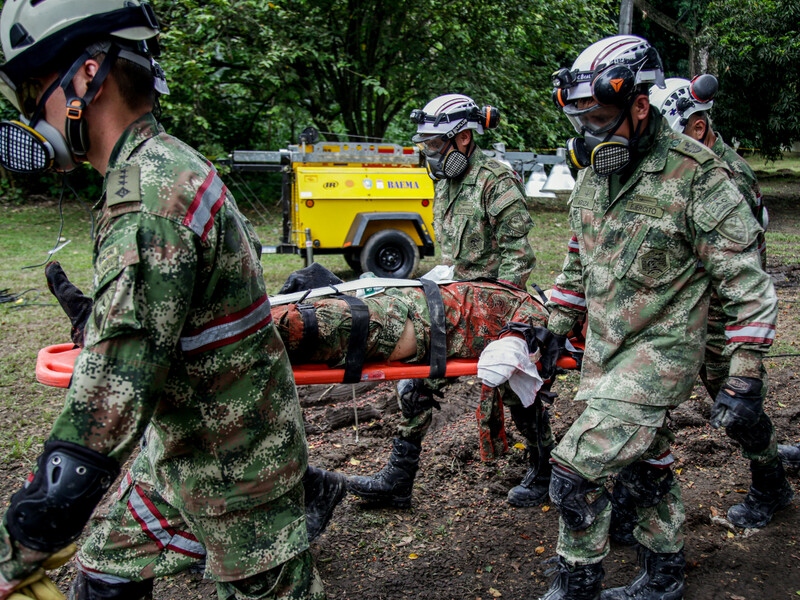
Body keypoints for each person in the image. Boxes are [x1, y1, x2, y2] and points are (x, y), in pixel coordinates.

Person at [0, 2, 344, 599]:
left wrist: (25, 537)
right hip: (180, 453)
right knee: (106, 571)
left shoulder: (149, 199)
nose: (32, 117)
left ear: (86, 76)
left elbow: (112, 398)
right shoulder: (154, 166)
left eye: (33, 92)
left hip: (238, 474)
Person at [539, 35, 783, 599]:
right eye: (581, 120)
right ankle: (664, 574)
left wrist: (744, 372)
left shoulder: (698, 177)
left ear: (640, 105)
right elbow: (579, 262)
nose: (590, 134)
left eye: (600, 117)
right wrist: (552, 328)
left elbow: (746, 280)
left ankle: (576, 586)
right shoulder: (596, 175)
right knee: (646, 464)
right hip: (608, 351)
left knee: (576, 469)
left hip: (664, 352)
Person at [603, 75, 787, 534]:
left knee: (739, 410)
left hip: (718, 318)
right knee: (644, 410)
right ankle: (633, 502)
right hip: (675, 311)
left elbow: (743, 266)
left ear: (698, 127)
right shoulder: (662, 167)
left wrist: (739, 348)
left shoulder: (723, 176)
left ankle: (771, 484)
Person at [346, 93, 548, 509]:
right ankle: (399, 480)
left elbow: (519, 257)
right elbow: (454, 258)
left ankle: (544, 466)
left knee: (513, 386)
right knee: (415, 377)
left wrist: (503, 322)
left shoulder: (496, 180)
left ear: (464, 138)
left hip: (495, 303)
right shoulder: (446, 184)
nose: (430, 154)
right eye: (427, 146)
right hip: (456, 298)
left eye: (437, 146)